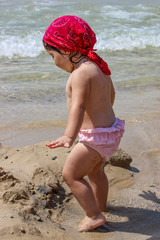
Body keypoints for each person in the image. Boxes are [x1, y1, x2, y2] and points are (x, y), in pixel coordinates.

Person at [43, 15, 125, 232]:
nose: (54, 62)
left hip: (95, 138)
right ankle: (101, 206)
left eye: (53, 56)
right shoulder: (98, 66)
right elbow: (110, 96)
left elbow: (78, 107)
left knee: (71, 175)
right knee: (96, 172)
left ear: (67, 50)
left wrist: (69, 136)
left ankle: (94, 215)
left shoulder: (80, 74)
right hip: (111, 131)